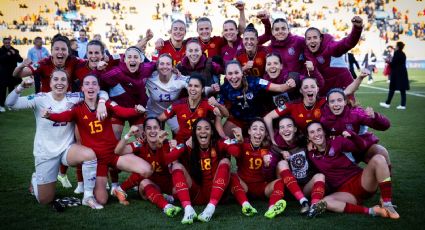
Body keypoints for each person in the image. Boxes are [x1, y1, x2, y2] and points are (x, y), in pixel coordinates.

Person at [43, 74, 153, 206]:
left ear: (98, 88)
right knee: (101, 200)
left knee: (147, 169)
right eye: (87, 84)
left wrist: (135, 110)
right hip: (97, 161)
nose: (91, 86)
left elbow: (122, 111)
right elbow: (63, 116)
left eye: (94, 83)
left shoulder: (106, 103)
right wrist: (50, 116)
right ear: (82, 88)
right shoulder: (77, 109)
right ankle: (97, 185)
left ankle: (120, 188)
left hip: (114, 153)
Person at [5, 70, 108, 209]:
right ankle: (36, 179)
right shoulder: (40, 98)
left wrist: (101, 102)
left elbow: (99, 91)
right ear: (50, 82)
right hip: (46, 153)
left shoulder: (74, 97)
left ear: (68, 84)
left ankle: (88, 197)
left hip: (67, 149)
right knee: (45, 199)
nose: (59, 83)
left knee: (89, 155)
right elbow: (10, 103)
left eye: (63, 80)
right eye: (56, 80)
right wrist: (21, 86)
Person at [305, 121, 399, 219]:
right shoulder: (310, 154)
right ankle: (373, 211)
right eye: (312, 132)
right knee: (324, 202)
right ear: (308, 137)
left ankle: (387, 203)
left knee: (379, 158)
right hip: (345, 192)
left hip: (361, 181)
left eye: (319, 130)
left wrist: (352, 136)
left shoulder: (336, 141)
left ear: (324, 132)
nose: (316, 134)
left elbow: (361, 147)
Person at [263, 71, 368, 144]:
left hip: (321, 142)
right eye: (306, 87)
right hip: (300, 144)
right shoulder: (291, 105)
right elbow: (268, 117)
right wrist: (272, 138)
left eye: (313, 87)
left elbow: (347, 91)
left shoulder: (324, 101)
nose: (309, 89)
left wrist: (360, 78)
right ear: (301, 91)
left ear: (317, 89)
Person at [168, 118, 234, 223]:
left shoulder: (218, 143)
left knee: (225, 161)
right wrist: (183, 145)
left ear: (212, 132)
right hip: (196, 194)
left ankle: (210, 209)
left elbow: (237, 152)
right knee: (176, 167)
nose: (203, 131)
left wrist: (236, 141)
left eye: (207, 128)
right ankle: (188, 210)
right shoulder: (189, 145)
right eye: (199, 129)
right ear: (194, 132)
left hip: (216, 192)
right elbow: (169, 158)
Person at [112, 119, 182, 218]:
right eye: (149, 128)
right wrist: (128, 134)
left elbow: (174, 166)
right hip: (148, 183)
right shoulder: (140, 143)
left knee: (179, 191)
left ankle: (164, 195)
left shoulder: (168, 144)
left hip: (167, 184)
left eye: (155, 128)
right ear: (144, 132)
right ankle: (166, 207)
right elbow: (118, 151)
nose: (152, 131)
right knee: (145, 180)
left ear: (161, 130)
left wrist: (169, 147)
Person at [262, 116, 326, 216]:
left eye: (289, 126)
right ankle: (303, 202)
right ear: (279, 131)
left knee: (320, 176)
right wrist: (267, 165)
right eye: (282, 127)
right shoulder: (275, 147)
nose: (286, 129)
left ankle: (314, 207)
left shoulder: (305, 142)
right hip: (286, 188)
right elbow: (268, 177)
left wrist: (313, 148)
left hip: (304, 187)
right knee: (282, 163)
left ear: (295, 129)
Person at [228, 118, 287, 219]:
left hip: (262, 187)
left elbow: (268, 176)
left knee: (280, 182)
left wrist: (267, 166)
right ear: (249, 131)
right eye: (255, 129)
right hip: (244, 186)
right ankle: (246, 205)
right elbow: (233, 152)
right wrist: (238, 141)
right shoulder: (243, 144)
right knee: (232, 176)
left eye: (262, 129)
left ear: (265, 133)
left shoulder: (268, 148)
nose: (258, 132)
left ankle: (272, 208)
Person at [219, 60, 296, 136]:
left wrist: (290, 83)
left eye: (236, 72)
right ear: (225, 75)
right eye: (230, 73)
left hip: (258, 118)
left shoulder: (254, 81)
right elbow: (219, 113)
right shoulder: (224, 88)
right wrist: (223, 136)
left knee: (267, 141)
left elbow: (279, 88)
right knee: (225, 139)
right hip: (238, 119)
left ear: (242, 73)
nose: (234, 77)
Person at [321, 88, 391, 167]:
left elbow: (385, 126)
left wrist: (375, 117)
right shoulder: (324, 119)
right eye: (332, 101)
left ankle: (387, 177)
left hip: (363, 146)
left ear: (345, 102)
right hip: (343, 151)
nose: (336, 104)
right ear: (328, 104)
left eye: (339, 100)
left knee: (380, 151)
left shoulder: (356, 113)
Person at [98, 46, 156, 138]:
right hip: (117, 109)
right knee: (114, 136)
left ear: (141, 59)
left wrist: (173, 69)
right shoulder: (114, 72)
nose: (132, 60)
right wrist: (98, 68)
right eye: (129, 57)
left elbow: (158, 64)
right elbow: (97, 79)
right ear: (124, 59)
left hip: (138, 109)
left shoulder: (146, 68)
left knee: (142, 137)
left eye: (136, 57)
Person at [158, 74, 229, 143]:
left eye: (196, 86)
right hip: (181, 143)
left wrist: (217, 104)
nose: (192, 89)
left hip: (200, 143)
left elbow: (225, 114)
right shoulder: (177, 104)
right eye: (190, 86)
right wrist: (159, 133)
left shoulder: (207, 103)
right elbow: (160, 118)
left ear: (202, 89)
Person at [304, 16, 364, 96]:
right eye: (309, 38)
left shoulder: (330, 47)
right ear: (305, 41)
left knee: (350, 108)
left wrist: (357, 28)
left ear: (320, 39)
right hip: (324, 93)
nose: (312, 41)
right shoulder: (306, 53)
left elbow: (348, 43)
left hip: (343, 89)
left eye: (315, 38)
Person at [13, 34, 84, 93]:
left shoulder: (73, 61)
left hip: (65, 104)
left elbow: (89, 64)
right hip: (47, 105)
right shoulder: (43, 63)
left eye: (63, 49)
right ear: (51, 51)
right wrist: (21, 66)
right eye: (57, 49)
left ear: (68, 52)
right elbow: (17, 74)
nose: (60, 52)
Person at [146, 54, 188, 132]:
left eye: (168, 64)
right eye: (162, 64)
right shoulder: (150, 77)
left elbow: (195, 83)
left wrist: (211, 89)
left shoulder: (178, 78)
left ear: (172, 66)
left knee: (181, 132)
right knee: (152, 134)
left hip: (171, 112)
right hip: (153, 111)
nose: (165, 66)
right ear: (157, 66)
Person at [380, 41, 409, 110]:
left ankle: (387, 103)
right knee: (402, 90)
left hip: (396, 74)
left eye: (396, 46)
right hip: (403, 73)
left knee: (392, 88)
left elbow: (393, 64)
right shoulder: (403, 54)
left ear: (398, 47)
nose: (395, 47)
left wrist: (387, 61)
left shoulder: (397, 53)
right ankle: (403, 105)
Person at [0, 37, 23, 112]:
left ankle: (10, 105)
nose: (7, 44)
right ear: (3, 43)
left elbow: (20, 60)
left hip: (13, 74)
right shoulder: (1, 50)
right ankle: (1, 105)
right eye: (6, 43)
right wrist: (8, 54)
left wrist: (14, 54)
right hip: (3, 74)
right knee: (2, 90)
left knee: (12, 90)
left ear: (10, 43)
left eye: (8, 43)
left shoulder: (15, 50)